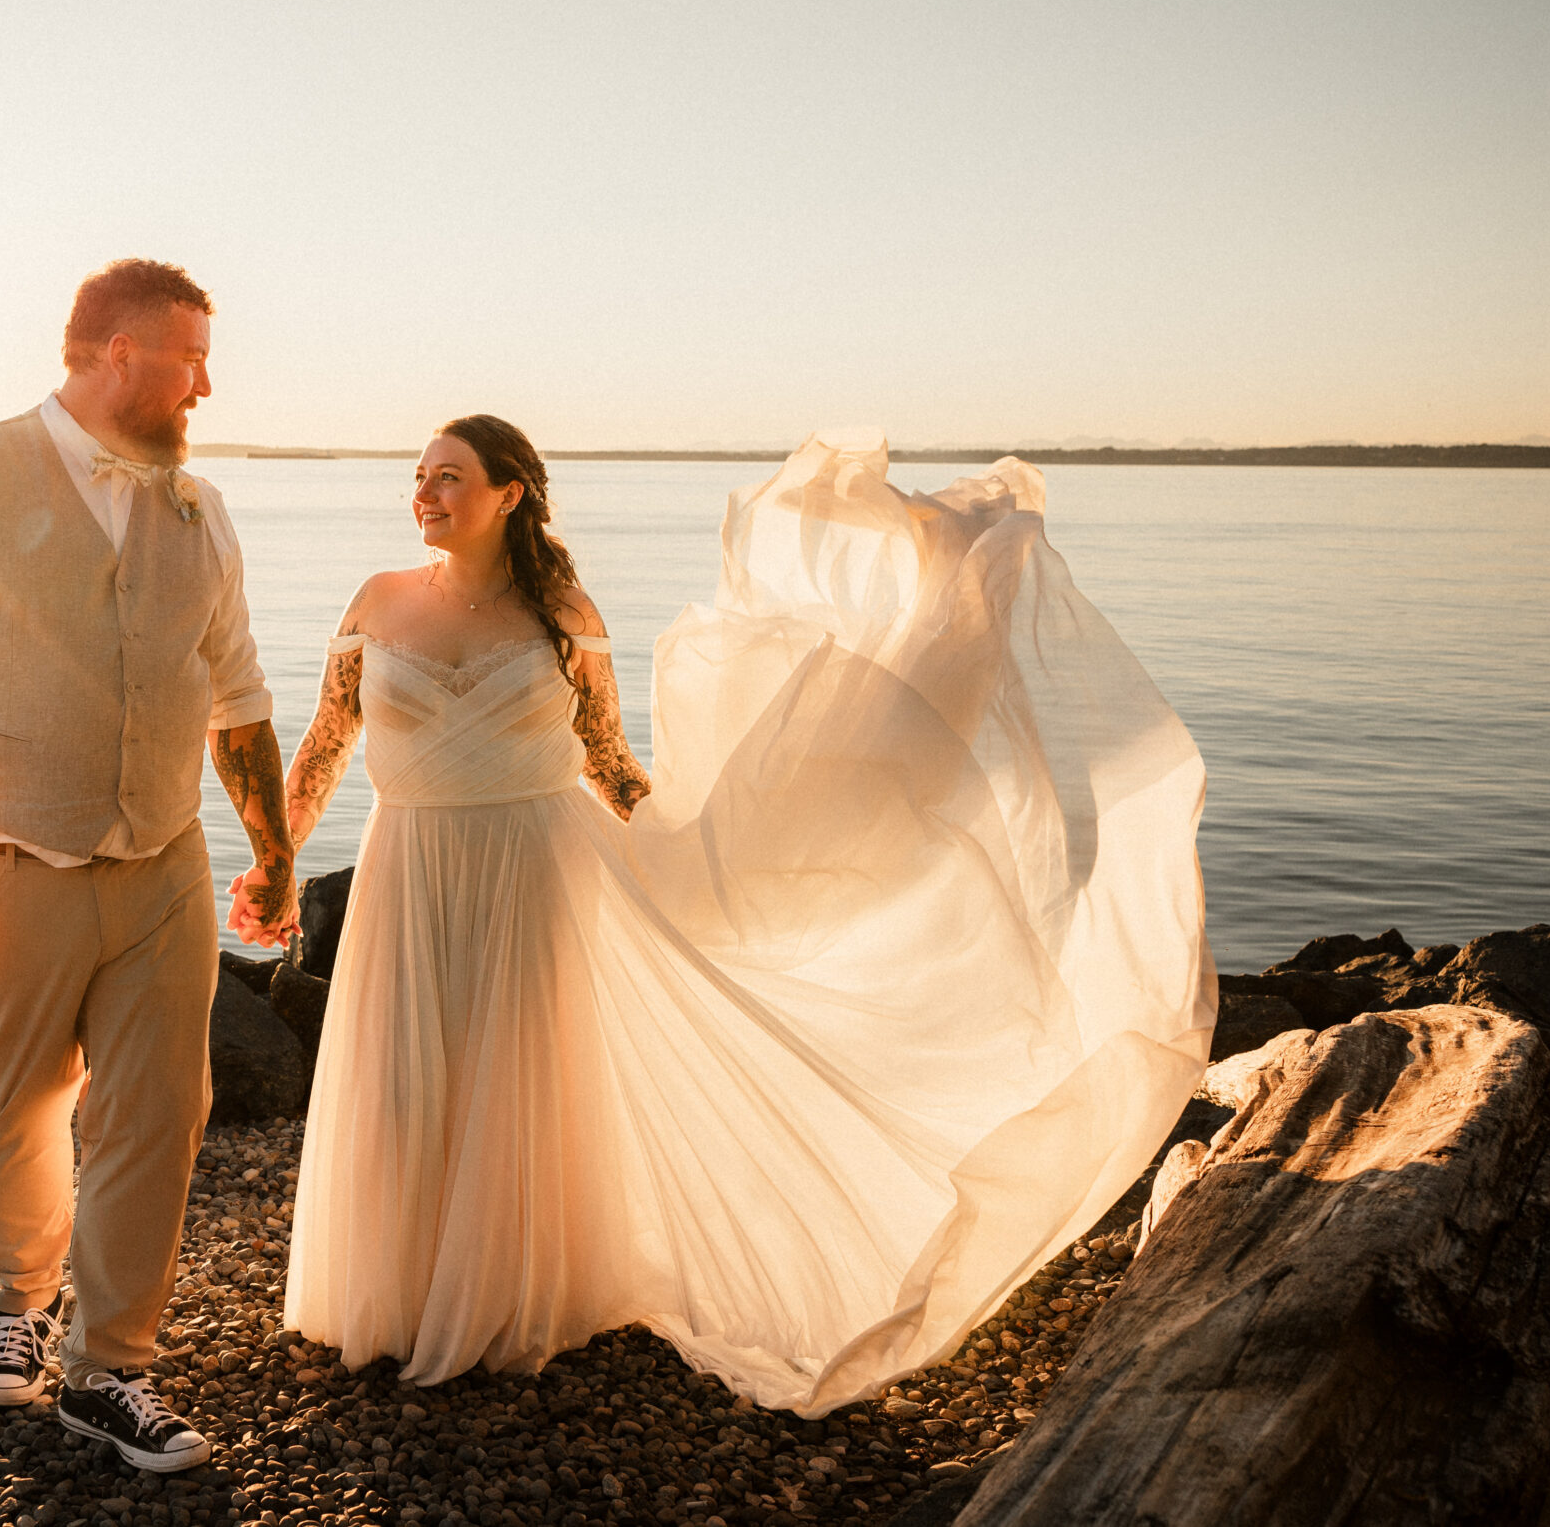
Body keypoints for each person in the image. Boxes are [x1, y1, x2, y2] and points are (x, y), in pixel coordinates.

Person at [275, 415, 1213, 1415]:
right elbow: (325, 746)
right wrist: (272, 862)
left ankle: (500, 1297)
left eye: (448, 477)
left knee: (513, 1078)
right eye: (418, 477)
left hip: (533, 873)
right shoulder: (377, 603)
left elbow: (608, 763)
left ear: (508, 493)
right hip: (406, 866)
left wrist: (698, 845)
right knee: (400, 1076)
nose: (424, 493)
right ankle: (396, 1293)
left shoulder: (559, 610)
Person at [0, 258, 297, 1472]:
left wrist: (275, 852)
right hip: (1, 858)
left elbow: (238, 695)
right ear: (114, 355)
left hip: (164, 861)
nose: (207, 381)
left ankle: (112, 1368)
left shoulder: (200, 511)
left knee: (163, 1108)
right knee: (18, 1100)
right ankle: (18, 1295)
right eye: (189, 356)